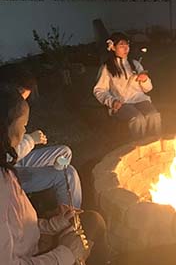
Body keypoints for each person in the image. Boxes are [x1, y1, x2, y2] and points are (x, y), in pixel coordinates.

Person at [0, 84, 111, 265]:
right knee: (91, 228)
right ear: (5, 128)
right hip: (37, 257)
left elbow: (20, 225)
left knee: (92, 220)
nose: (24, 132)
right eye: (23, 125)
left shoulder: (5, 171)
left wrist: (53, 225)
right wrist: (65, 253)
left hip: (36, 245)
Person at [0, 69, 82, 208]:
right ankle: (70, 223)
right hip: (9, 173)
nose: (21, 104)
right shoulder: (5, 114)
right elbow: (6, 157)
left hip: (17, 159)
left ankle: (51, 189)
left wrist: (26, 138)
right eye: (20, 98)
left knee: (64, 152)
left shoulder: (7, 111)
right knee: (67, 173)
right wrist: (30, 140)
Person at [93, 32, 161, 140]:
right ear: (113, 48)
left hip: (139, 99)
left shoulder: (135, 64)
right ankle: (138, 147)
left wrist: (144, 80)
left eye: (127, 45)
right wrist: (112, 101)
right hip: (121, 103)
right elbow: (99, 90)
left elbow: (148, 89)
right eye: (121, 45)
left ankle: (155, 144)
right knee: (138, 119)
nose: (126, 48)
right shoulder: (107, 67)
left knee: (154, 115)